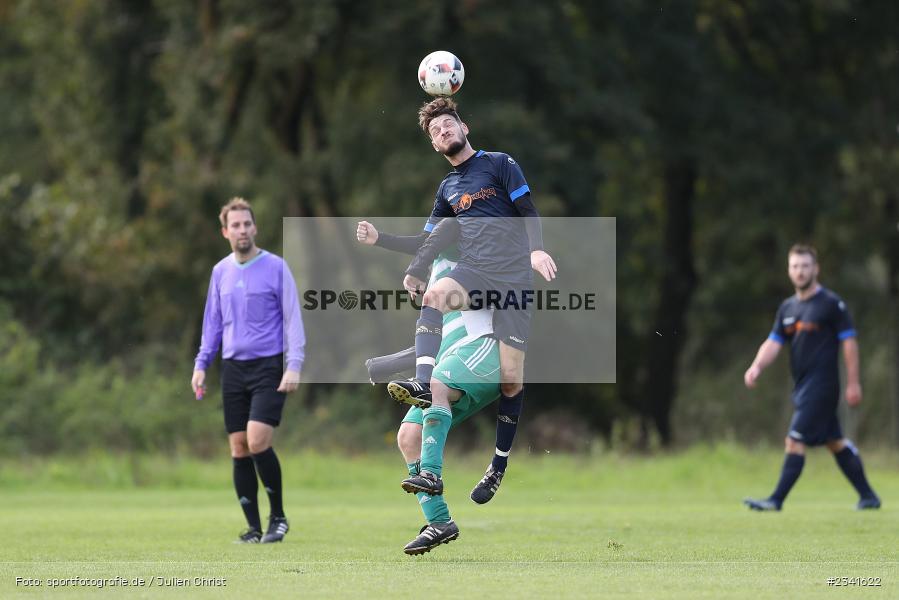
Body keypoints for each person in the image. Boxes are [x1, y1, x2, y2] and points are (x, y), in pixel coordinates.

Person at [385, 97, 557, 498]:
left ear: (465, 128)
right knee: (435, 295)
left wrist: (536, 249)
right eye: (435, 130)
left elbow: (528, 210)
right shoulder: (447, 188)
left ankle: (498, 466)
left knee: (511, 382)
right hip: (475, 272)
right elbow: (429, 240)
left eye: (448, 124)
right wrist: (415, 270)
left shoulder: (500, 163)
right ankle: (424, 383)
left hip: (513, 279)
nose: (443, 131)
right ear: (433, 145)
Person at [356, 217, 514, 503]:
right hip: (452, 359)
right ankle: (439, 523)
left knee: (435, 387)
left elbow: (449, 227)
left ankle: (431, 474)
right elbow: (425, 243)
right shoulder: (439, 274)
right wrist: (380, 239)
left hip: (482, 353)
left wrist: (414, 267)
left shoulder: (467, 248)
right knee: (408, 437)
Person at [192, 197, 306, 542]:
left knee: (258, 440)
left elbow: (293, 319)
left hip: (268, 367)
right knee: (239, 447)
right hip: (232, 370)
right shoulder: (220, 272)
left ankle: (279, 518)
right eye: (235, 225)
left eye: (247, 224)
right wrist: (201, 365)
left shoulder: (275, 267)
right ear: (225, 231)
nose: (242, 230)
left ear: (254, 227)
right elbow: (212, 323)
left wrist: (294, 365)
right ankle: (254, 528)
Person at [742, 244, 880, 511]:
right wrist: (756, 367)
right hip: (802, 385)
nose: (800, 271)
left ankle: (775, 500)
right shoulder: (787, 308)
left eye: (805, 266)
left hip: (823, 386)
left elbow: (849, 344)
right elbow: (773, 342)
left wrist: (853, 382)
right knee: (835, 442)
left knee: (794, 440)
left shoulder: (831, 304)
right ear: (789, 270)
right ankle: (869, 497)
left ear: (816, 269)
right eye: (795, 266)